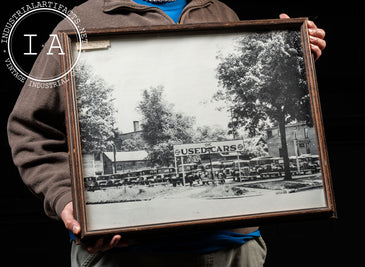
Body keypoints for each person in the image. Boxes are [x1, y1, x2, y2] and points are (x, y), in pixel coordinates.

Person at [7, 0, 326, 266]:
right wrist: (65, 197)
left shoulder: (220, 13)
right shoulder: (79, 21)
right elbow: (30, 129)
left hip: (233, 251)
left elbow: (253, 100)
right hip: (127, 255)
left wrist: (290, 56)